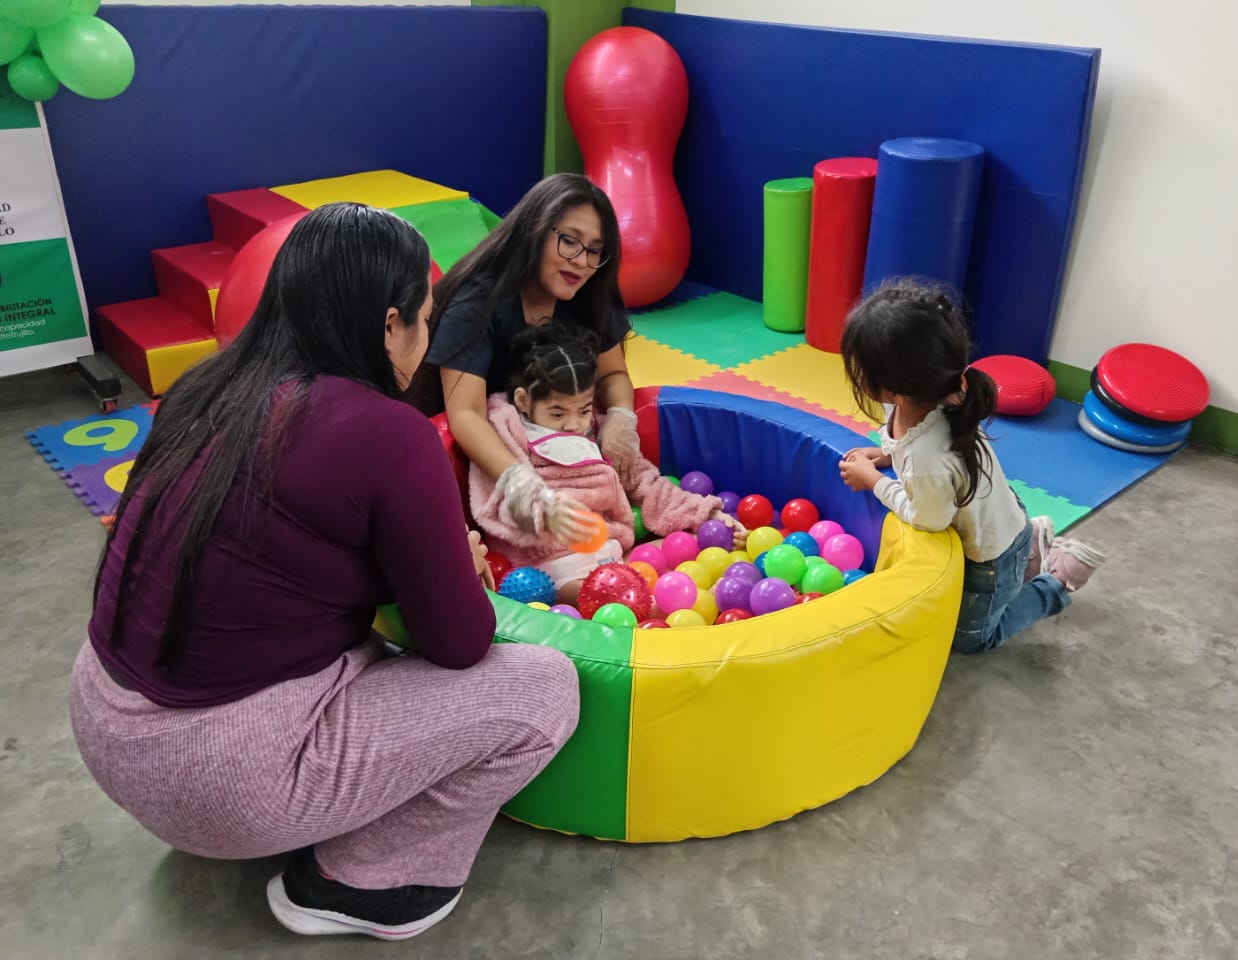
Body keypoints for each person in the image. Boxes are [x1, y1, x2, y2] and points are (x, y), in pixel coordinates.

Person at [68, 203, 579, 941]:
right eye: (424, 320)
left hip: (102, 723)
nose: (426, 343)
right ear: (388, 325)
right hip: (216, 780)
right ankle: (362, 879)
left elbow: (266, 553)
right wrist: (453, 571)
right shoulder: (388, 432)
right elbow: (461, 643)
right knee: (543, 691)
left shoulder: (201, 388)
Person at [837, 280, 1106, 653]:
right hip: (999, 516)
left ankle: (1057, 577)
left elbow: (928, 518)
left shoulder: (927, 456)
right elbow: (912, 449)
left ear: (894, 386)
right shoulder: (933, 396)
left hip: (992, 556)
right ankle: (1033, 546)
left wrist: (874, 482)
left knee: (973, 640)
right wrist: (884, 457)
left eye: (859, 367)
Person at [408, 173, 638, 546]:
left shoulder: (589, 292)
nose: (581, 262)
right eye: (569, 242)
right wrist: (523, 484)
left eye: (595, 250)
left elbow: (613, 373)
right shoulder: (478, 301)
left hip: (548, 437)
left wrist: (621, 418)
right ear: (534, 229)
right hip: (468, 449)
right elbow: (465, 414)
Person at [470, 323, 746, 603]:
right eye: (557, 414)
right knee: (614, 599)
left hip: (610, 552)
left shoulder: (596, 433)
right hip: (553, 566)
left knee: (692, 544)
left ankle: (706, 596)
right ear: (523, 400)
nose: (573, 424)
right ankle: (689, 604)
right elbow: (501, 500)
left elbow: (644, 481)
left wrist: (704, 514)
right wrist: (545, 509)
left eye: (584, 410)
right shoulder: (508, 435)